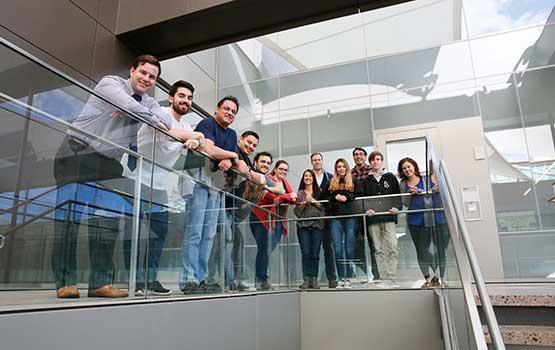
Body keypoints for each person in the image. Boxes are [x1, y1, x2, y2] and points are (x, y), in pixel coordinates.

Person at [52, 54, 176, 299]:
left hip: (107, 164)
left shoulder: (148, 102)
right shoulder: (111, 83)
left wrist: (138, 111)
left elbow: (166, 122)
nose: (146, 79)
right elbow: (130, 107)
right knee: (69, 221)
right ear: (132, 70)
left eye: (152, 77)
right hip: (76, 154)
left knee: (106, 224)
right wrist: (134, 110)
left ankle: (100, 283)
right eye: (143, 72)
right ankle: (65, 282)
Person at [122, 80, 205, 296]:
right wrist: (195, 137)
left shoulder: (187, 127)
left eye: (189, 98)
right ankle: (135, 280)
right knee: (134, 233)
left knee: (159, 233)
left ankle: (150, 279)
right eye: (182, 96)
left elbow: (199, 141)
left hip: (159, 186)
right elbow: (168, 131)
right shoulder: (158, 111)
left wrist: (197, 140)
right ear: (171, 98)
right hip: (136, 180)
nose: (185, 101)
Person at [179, 96, 258, 294]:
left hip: (217, 187)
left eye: (233, 111)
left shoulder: (231, 134)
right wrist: (231, 157)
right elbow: (209, 148)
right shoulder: (207, 123)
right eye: (226, 109)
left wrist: (231, 162)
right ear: (217, 109)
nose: (230, 113)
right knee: (195, 231)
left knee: (209, 235)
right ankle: (188, 280)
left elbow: (241, 165)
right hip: (199, 181)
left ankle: (202, 278)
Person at [207, 130, 260, 292]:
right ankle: (220, 280)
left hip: (230, 208)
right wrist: (232, 160)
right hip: (220, 201)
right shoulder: (232, 151)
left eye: (254, 145)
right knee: (223, 240)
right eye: (249, 142)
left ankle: (230, 279)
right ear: (240, 139)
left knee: (230, 241)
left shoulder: (247, 161)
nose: (251, 146)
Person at [398, 157, 450, 288]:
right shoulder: (403, 184)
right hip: (415, 220)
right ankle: (428, 278)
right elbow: (404, 202)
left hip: (432, 218)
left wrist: (436, 191)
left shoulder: (425, 179)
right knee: (421, 250)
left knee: (440, 248)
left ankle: (439, 276)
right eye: (404, 168)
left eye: (409, 166)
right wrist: (410, 194)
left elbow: (431, 195)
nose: (407, 170)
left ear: (414, 167)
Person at [249, 160, 296, 290]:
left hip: (277, 221)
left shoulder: (285, 184)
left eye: (286, 170)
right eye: (281, 169)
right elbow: (271, 197)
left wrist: (286, 196)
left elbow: (293, 199)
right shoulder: (268, 180)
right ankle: (260, 279)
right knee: (264, 248)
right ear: (275, 169)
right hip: (262, 219)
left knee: (268, 250)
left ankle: (262, 277)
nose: (283, 171)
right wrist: (286, 196)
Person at [362, 151, 402, 288]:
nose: (375, 162)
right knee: (378, 249)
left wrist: (397, 207)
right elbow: (364, 199)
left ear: (382, 161)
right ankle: (384, 278)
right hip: (373, 219)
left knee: (393, 246)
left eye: (378, 159)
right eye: (372, 160)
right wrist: (367, 210)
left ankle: (392, 277)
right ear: (370, 163)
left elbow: (397, 195)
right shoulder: (366, 180)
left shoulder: (390, 177)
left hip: (389, 216)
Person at [322, 158, 363, 289]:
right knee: (338, 249)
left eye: (343, 166)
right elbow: (323, 198)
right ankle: (341, 278)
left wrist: (348, 197)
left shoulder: (354, 181)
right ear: (336, 169)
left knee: (349, 248)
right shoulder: (330, 182)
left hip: (351, 218)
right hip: (335, 218)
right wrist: (335, 197)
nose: (341, 169)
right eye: (338, 167)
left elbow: (360, 195)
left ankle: (349, 278)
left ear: (346, 168)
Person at [351, 147, 380, 283]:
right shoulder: (349, 173)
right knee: (356, 246)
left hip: (370, 213)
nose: (358, 157)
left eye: (361, 154)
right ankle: (368, 273)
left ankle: (377, 275)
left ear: (365, 156)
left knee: (374, 244)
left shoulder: (371, 171)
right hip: (356, 215)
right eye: (356, 155)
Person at [310, 152, 337, 288]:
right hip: (314, 219)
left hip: (327, 217)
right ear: (312, 162)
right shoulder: (308, 177)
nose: (317, 162)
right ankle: (313, 279)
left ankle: (332, 279)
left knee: (329, 248)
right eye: (314, 160)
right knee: (314, 250)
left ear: (322, 161)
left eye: (319, 159)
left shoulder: (331, 177)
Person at [294, 169, 325, 289]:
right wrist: (305, 203)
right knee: (306, 253)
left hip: (317, 226)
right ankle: (306, 279)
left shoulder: (319, 192)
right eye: (305, 176)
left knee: (315, 253)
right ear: (303, 178)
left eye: (310, 176)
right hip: (303, 226)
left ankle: (314, 279)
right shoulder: (300, 193)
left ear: (313, 178)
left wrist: (313, 201)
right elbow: (296, 212)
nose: (308, 177)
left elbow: (323, 209)